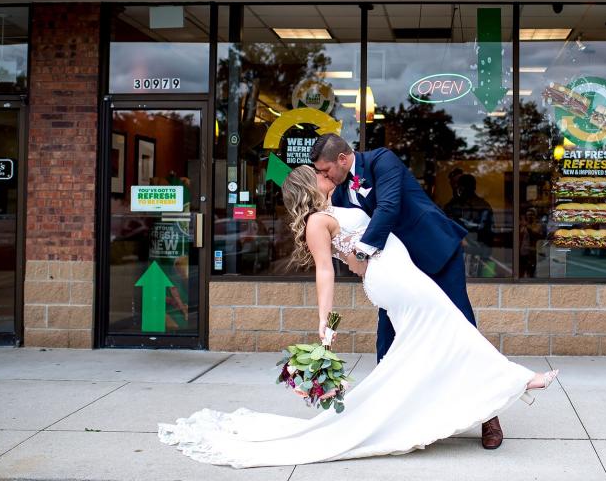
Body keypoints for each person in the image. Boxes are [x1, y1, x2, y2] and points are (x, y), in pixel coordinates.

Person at [158, 165, 558, 468]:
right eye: (315, 174)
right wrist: (325, 326)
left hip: (394, 276)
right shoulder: (317, 221)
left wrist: (368, 261)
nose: (323, 174)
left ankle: (421, 410)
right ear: (308, 187)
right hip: (397, 281)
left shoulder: (338, 207)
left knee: (435, 340)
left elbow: (357, 264)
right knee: (452, 328)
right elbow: (325, 272)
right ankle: (522, 379)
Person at [310, 134, 503, 448]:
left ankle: (489, 415)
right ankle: (388, 417)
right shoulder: (341, 191)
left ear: (343, 159)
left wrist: (360, 255)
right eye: (319, 173)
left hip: (434, 253)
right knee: (388, 338)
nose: (324, 176)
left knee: (462, 328)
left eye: (326, 170)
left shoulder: (382, 160)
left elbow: (388, 207)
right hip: (395, 271)